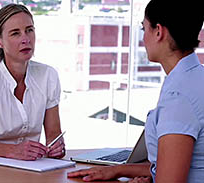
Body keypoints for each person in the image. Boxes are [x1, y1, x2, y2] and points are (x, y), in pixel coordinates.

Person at [68, 0, 204, 182]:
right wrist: (119, 170)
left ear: (158, 31)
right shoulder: (196, 77)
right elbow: (187, 165)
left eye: (144, 29)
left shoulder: (178, 97)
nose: (143, 38)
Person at [0, 3, 65, 160]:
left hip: (31, 169)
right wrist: (11, 150)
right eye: (15, 33)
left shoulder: (48, 76)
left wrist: (57, 148)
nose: (25, 39)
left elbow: (54, 137)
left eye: (29, 30)